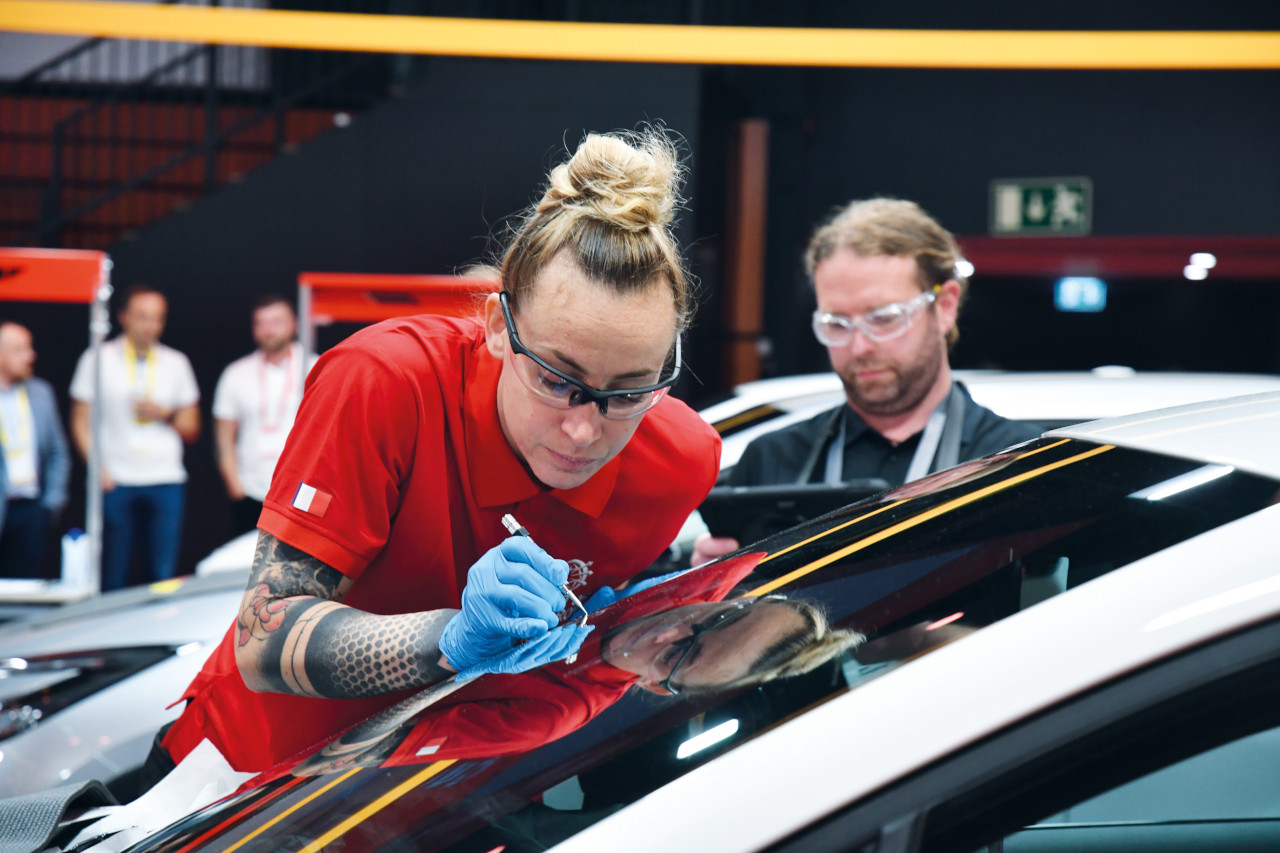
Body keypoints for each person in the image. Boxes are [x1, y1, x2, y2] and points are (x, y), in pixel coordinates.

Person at [156, 127, 723, 778]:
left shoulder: (679, 459)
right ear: (495, 328)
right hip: (245, 779)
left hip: (438, 797)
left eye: (627, 392)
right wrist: (449, 639)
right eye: (555, 379)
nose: (582, 430)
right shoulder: (386, 381)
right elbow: (264, 636)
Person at [693, 198, 1041, 566]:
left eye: (885, 318)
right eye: (837, 324)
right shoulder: (772, 459)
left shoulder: (1015, 459)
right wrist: (712, 586)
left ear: (944, 307)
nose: (859, 347)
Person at [69, 285, 201, 591]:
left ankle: (160, 634)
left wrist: (164, 413)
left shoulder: (176, 362)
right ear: (124, 317)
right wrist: (96, 468)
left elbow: (192, 427)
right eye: (142, 317)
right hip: (116, 477)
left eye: (157, 318)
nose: (150, 325)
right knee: (114, 571)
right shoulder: (97, 358)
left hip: (165, 476)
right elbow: (80, 420)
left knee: (162, 572)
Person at [212, 295, 317, 534]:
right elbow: (224, 435)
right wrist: (235, 486)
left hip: (300, 493)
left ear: (294, 324)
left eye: (277, 322)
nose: (269, 330)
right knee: (247, 565)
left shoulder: (315, 367)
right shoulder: (236, 373)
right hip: (251, 490)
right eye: (261, 323)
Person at [0, 322, 71, 579]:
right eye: (21, 350)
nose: (31, 356)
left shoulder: (41, 393)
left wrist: (51, 503)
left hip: (31, 509)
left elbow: (57, 452)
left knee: (26, 584)